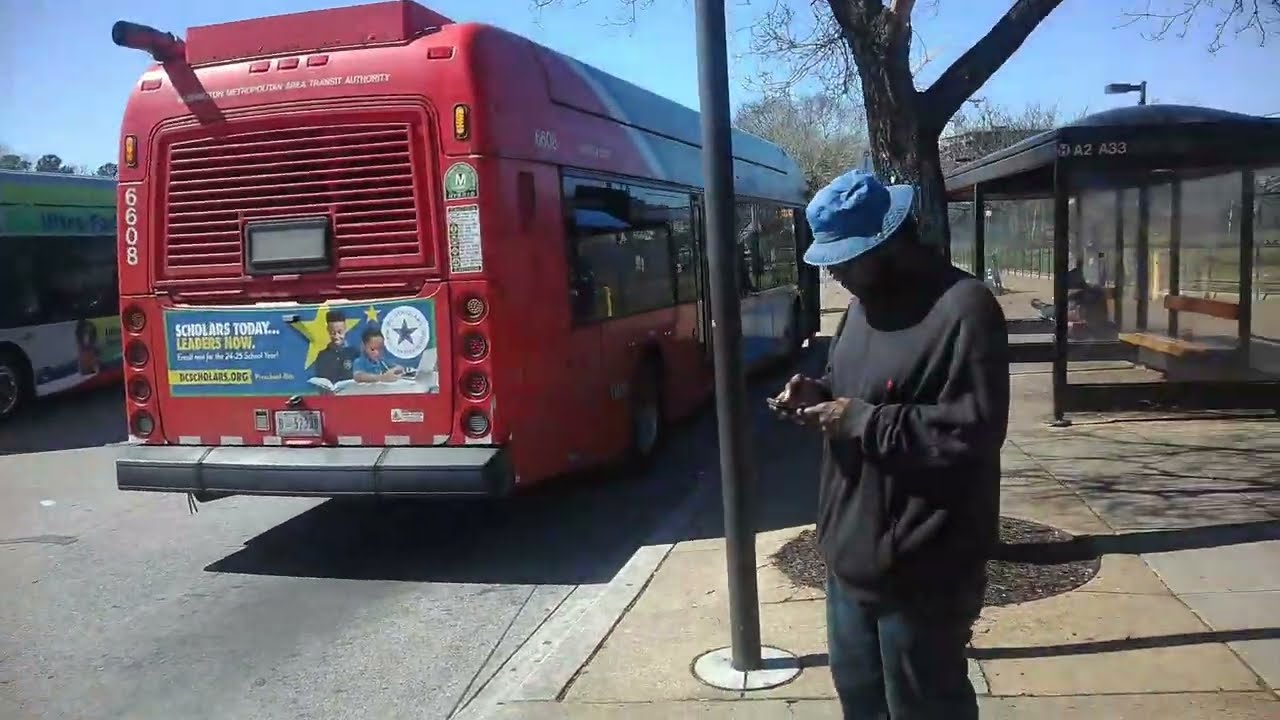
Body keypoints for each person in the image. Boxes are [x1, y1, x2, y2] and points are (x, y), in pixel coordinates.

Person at [771, 169, 1010, 719]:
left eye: (845, 258)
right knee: (861, 698)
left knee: (924, 706)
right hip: (848, 555)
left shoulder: (964, 308)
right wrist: (819, 393)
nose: (833, 270)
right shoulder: (859, 309)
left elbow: (972, 430)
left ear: (889, 242)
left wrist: (860, 420)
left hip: (923, 568)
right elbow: (862, 395)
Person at [312, 309, 358, 384]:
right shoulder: (322, 356)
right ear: (328, 330)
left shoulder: (355, 353)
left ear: (345, 329)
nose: (336, 336)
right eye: (333, 333)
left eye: (340, 332)